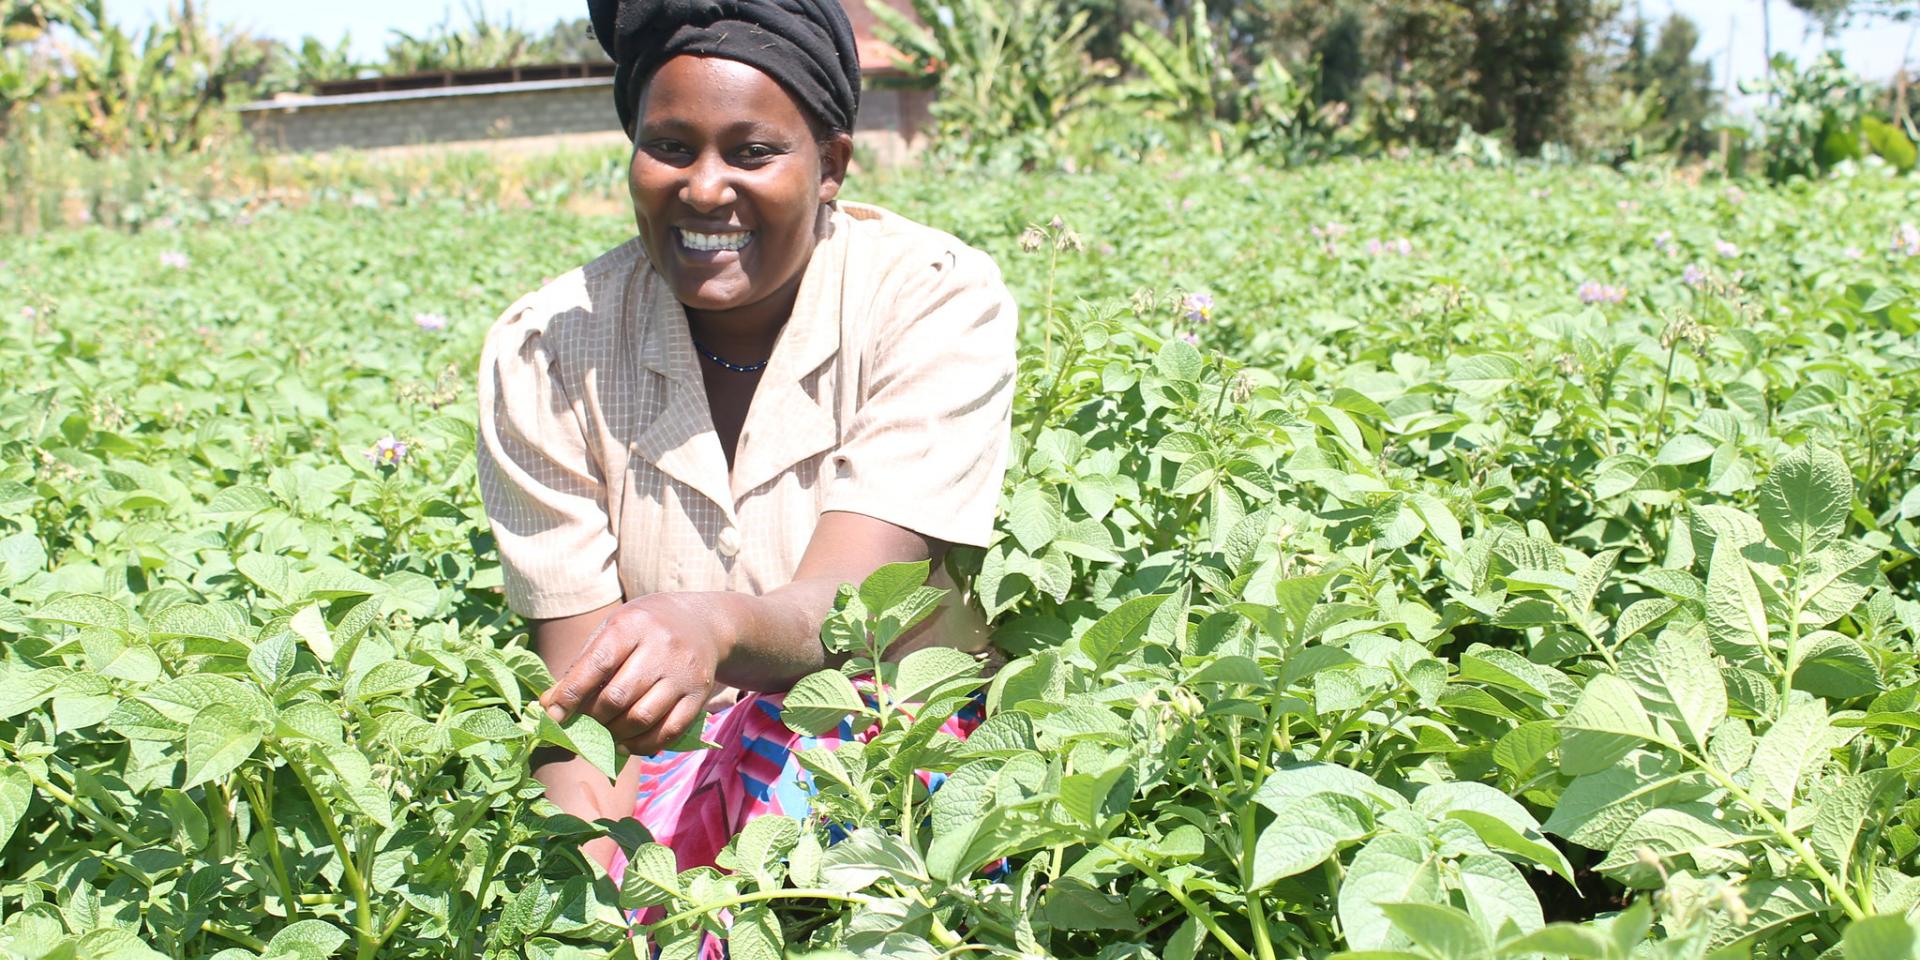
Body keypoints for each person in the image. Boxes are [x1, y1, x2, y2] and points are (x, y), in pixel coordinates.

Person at [475, 0, 1018, 878]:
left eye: (753, 151)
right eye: (671, 147)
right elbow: (584, 718)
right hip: (666, 778)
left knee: (826, 747)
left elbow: (856, 610)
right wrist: (612, 900)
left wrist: (714, 624)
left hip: (887, 759)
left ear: (831, 164)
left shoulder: (929, 298)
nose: (704, 187)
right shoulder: (549, 350)